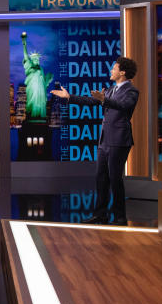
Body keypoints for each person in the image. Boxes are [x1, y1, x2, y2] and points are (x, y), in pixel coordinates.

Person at [50, 57, 139, 224]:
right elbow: (91, 101)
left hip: (119, 140)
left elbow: (123, 105)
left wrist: (104, 99)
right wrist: (69, 96)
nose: (111, 71)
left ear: (122, 72)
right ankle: (100, 214)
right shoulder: (111, 89)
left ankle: (120, 217)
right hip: (104, 140)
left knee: (115, 179)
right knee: (101, 178)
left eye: (114, 68)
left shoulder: (131, 91)